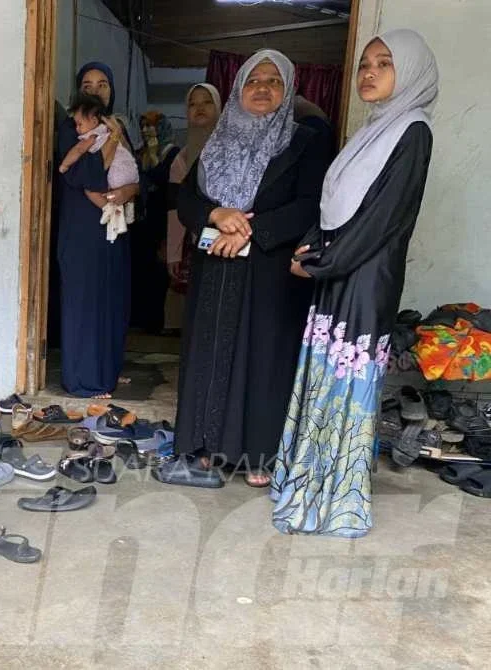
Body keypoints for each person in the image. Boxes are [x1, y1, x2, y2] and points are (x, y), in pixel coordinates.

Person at [273, 30, 438, 538]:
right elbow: (336, 204)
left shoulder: (413, 131)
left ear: (408, 73)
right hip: (342, 270)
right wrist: (312, 249)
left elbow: (381, 219)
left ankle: (337, 502)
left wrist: (320, 263)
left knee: (347, 389)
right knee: (326, 383)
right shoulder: (373, 130)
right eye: (365, 63)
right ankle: (307, 485)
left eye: (383, 64)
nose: (368, 72)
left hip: (366, 280)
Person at [158, 50, 332, 488]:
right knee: (210, 353)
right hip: (216, 268)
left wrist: (251, 231)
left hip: (268, 272)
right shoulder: (219, 140)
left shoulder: (304, 141)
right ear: (238, 88)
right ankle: (202, 447)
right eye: (254, 79)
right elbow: (187, 199)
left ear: (288, 90)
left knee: (262, 357)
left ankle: (259, 454)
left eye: (274, 81)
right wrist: (217, 216)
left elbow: (311, 203)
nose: (262, 88)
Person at [55, 61, 139, 399]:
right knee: (84, 301)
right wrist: (110, 142)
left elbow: (135, 174)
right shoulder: (69, 127)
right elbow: (81, 174)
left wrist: (127, 191)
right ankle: (84, 379)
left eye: (103, 83)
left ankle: (106, 372)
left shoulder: (117, 125)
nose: (95, 89)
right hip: (81, 230)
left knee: (111, 300)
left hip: (112, 228)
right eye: (87, 84)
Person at [166, 84, 222, 314]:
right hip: (196, 245)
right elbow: (174, 209)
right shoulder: (180, 160)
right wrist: (173, 253)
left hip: (230, 242)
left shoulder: (233, 152)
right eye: (192, 104)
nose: (199, 108)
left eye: (207, 102)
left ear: (219, 108)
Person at [59, 93, 140, 243]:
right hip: (130, 173)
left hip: (116, 177)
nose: (77, 129)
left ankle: (110, 209)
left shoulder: (90, 137)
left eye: (102, 85)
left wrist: (64, 165)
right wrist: (132, 189)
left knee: (91, 190)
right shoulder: (111, 128)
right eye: (88, 86)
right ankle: (128, 211)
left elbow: (79, 153)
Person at [135, 111, 180, 334]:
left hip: (164, 223)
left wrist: (154, 159)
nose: (146, 131)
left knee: (161, 275)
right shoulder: (140, 155)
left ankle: (159, 323)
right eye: (143, 126)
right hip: (144, 226)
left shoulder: (174, 155)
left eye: (151, 126)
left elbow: (166, 185)